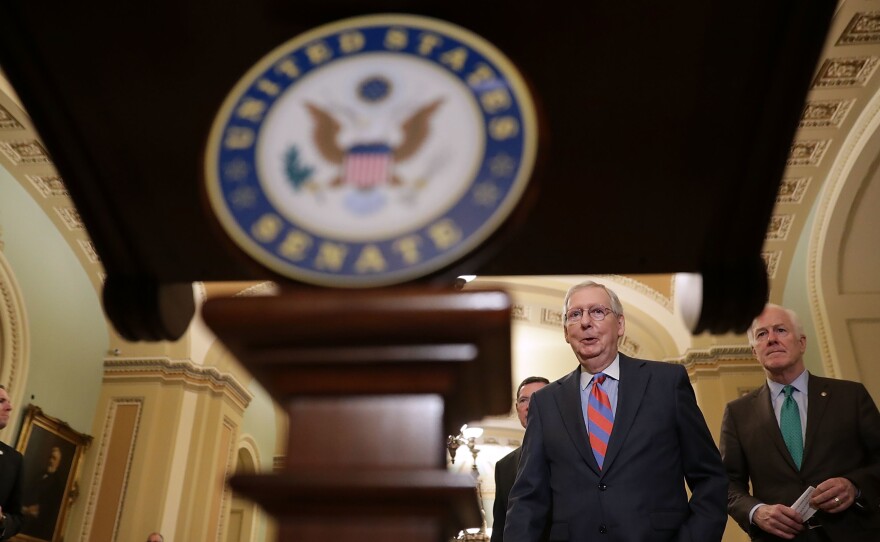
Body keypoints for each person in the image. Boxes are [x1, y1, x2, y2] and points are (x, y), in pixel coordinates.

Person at [504, 280, 728, 541]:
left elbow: (710, 478)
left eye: (597, 311)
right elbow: (527, 500)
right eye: (575, 315)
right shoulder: (545, 403)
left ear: (620, 325)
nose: (586, 322)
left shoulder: (667, 383)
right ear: (566, 332)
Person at [720, 304, 880, 541]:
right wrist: (756, 512)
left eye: (781, 330)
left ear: (802, 343)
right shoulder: (737, 413)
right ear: (755, 352)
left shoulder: (850, 396)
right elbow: (727, 484)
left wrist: (854, 486)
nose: (772, 339)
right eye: (761, 334)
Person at [490, 376, 550, 542]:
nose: (530, 405)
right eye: (524, 400)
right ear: (517, 408)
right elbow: (500, 527)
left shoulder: (574, 451)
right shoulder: (504, 466)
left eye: (540, 396)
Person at [21, 444, 66, 539]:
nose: (50, 461)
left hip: (38, 526)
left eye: (54, 458)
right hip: (23, 517)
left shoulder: (57, 485)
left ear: (59, 463)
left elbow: (50, 509)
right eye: (50, 457)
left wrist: (37, 510)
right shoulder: (39, 475)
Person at [0, 385, 24, 540]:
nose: (10, 407)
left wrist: (1, 521)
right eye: (2, 401)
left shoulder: (14, 459)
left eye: (9, 401)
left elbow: (17, 518)